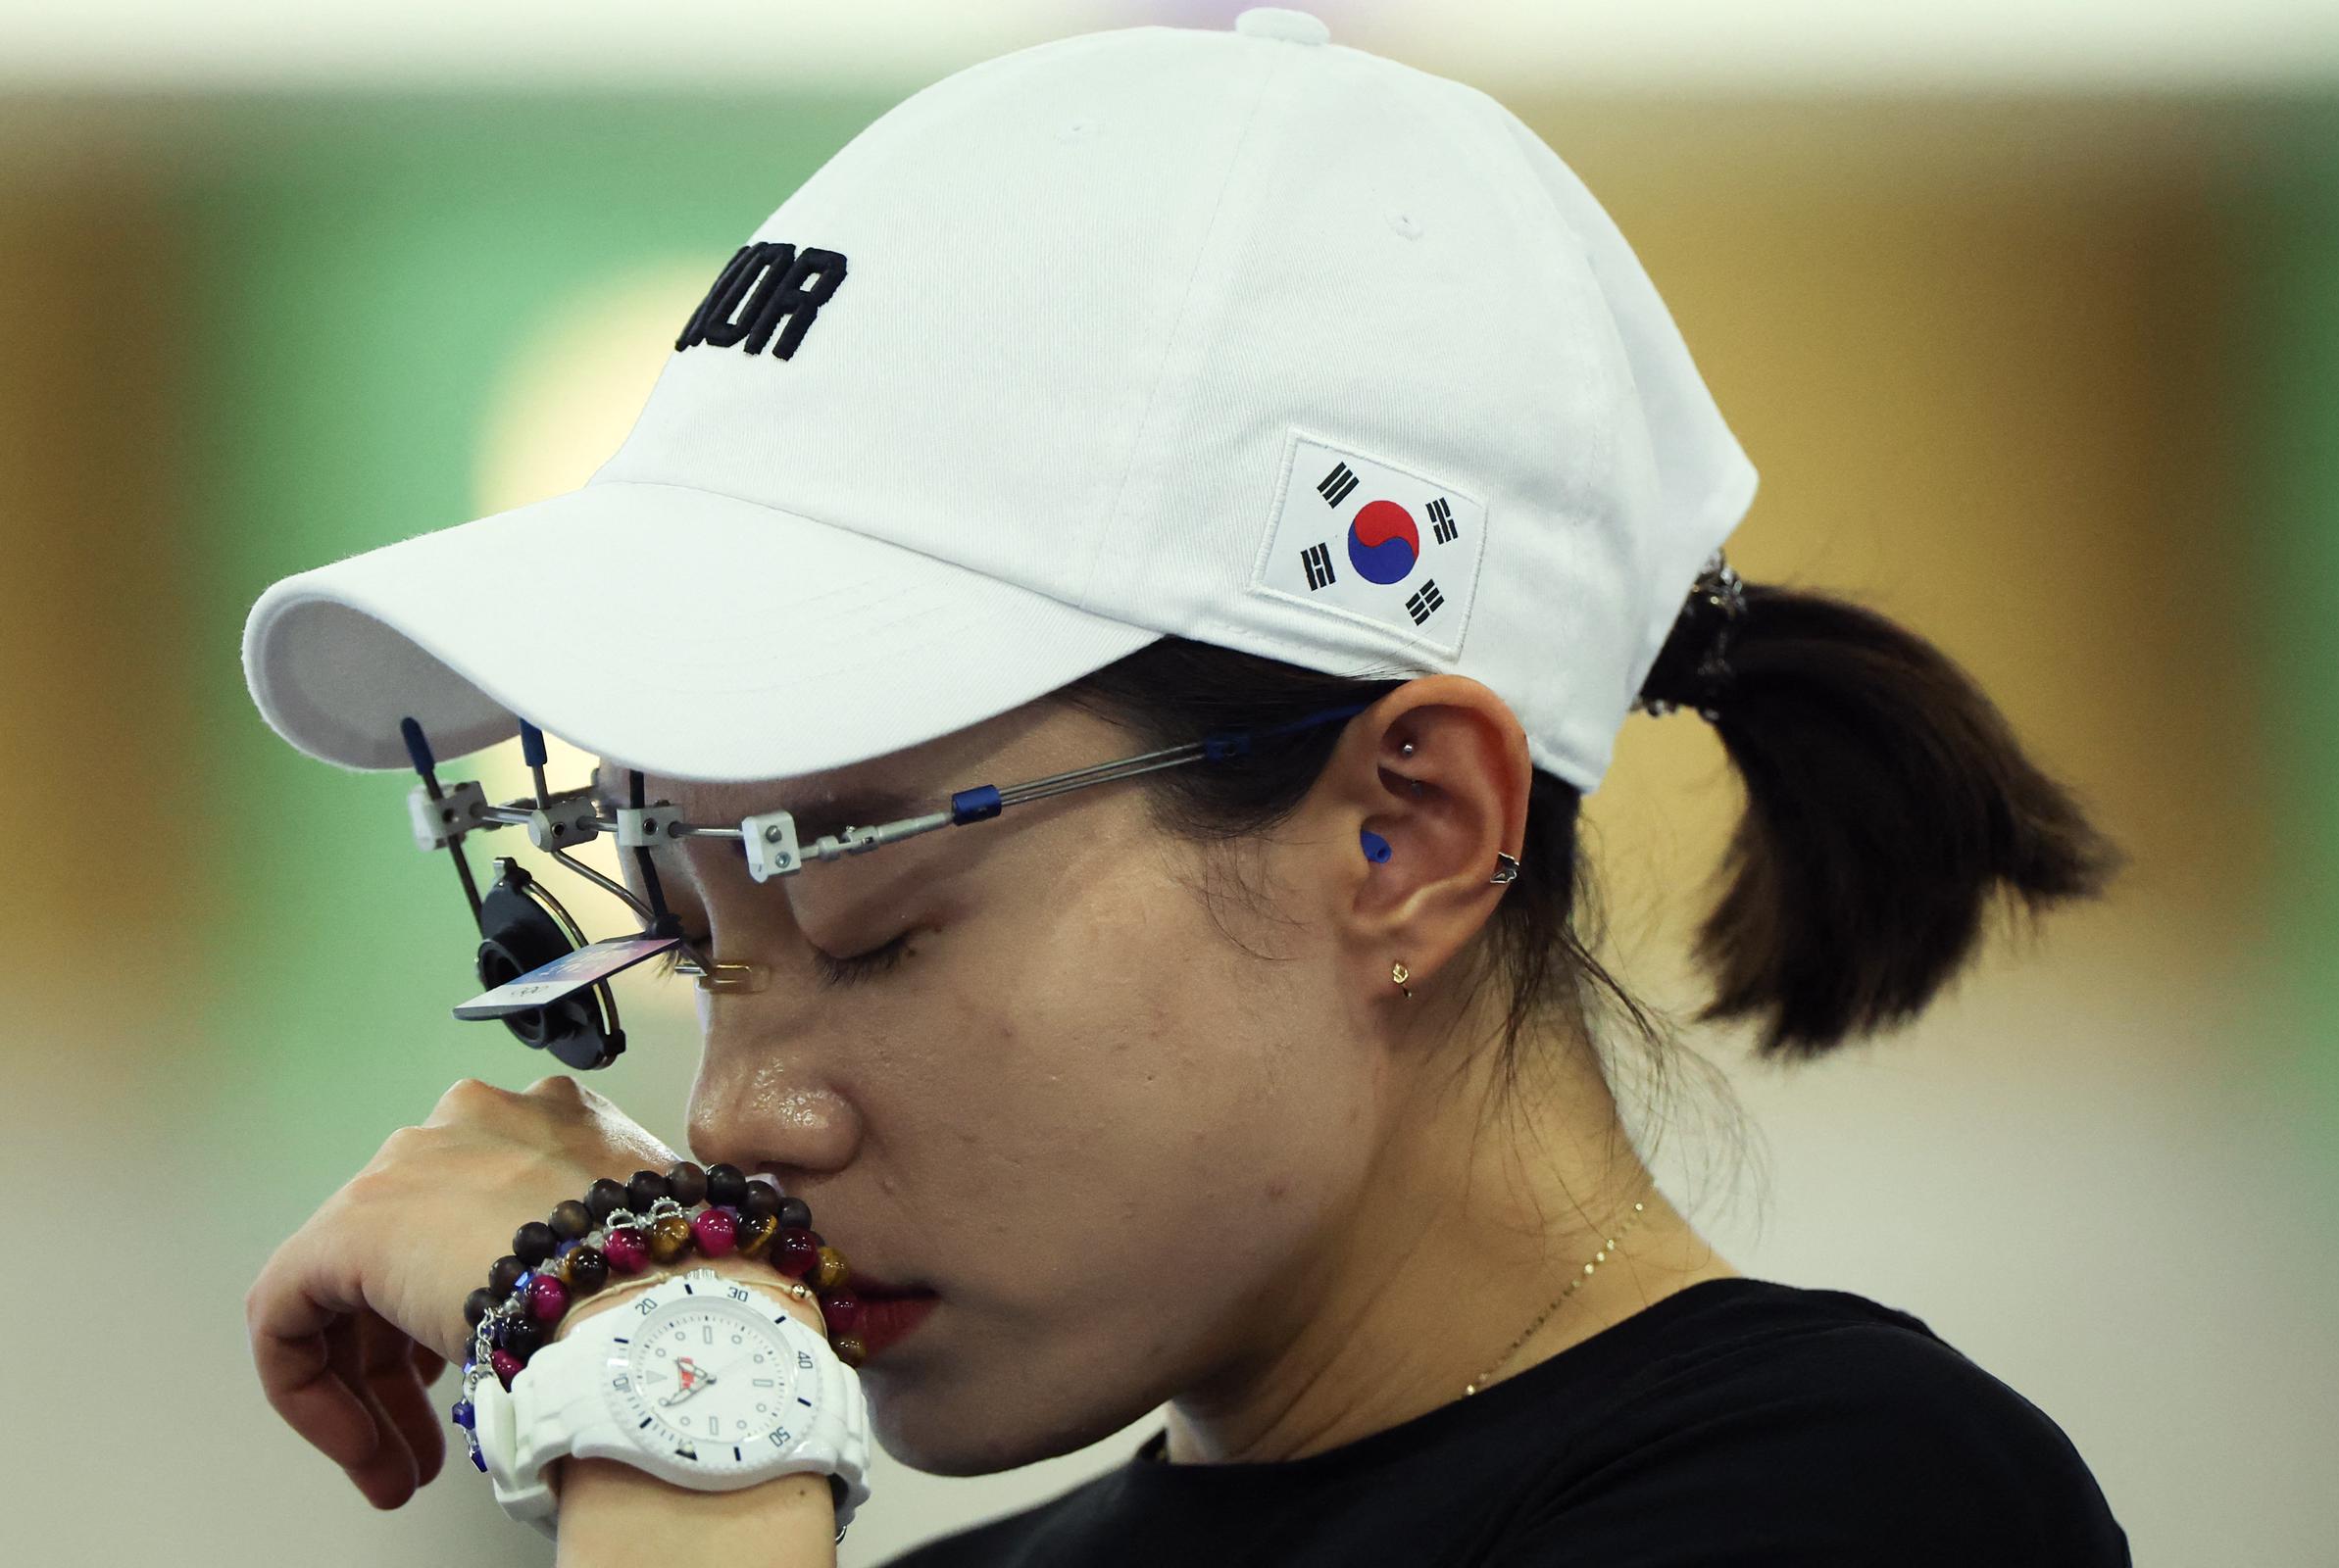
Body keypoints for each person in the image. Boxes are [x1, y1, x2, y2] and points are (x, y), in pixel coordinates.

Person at [237, 8, 2134, 1564]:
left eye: (875, 933)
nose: (736, 1118)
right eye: (689, 924)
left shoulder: (1861, 1504)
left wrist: (673, 1423)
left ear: (1409, 836)